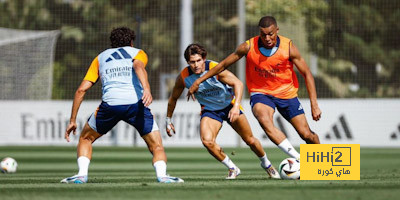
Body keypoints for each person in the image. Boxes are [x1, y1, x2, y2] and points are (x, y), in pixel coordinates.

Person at [187, 16, 321, 161]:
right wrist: (199, 81)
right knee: (264, 120)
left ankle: (321, 163)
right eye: (263, 34)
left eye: (271, 34)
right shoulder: (248, 46)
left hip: (287, 94)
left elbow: (307, 74)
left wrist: (314, 104)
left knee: (306, 134)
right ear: (259, 33)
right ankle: (298, 158)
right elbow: (222, 65)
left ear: (277, 30)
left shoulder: (288, 47)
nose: (267, 38)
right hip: (261, 93)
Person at [61, 27, 183, 184]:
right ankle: (163, 176)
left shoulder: (100, 58)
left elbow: (81, 90)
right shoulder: (138, 53)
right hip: (136, 105)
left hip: (110, 105)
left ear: (112, 43)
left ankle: (81, 175)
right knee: (157, 146)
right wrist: (146, 89)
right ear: (131, 42)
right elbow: (138, 66)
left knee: (85, 138)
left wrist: (72, 120)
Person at [166, 44, 280, 179]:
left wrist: (236, 106)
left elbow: (238, 83)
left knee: (250, 140)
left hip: (229, 106)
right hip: (210, 111)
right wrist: (168, 120)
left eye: (198, 61)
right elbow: (173, 98)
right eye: (192, 62)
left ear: (204, 59)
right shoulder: (184, 77)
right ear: (187, 62)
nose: (196, 65)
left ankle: (266, 164)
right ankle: (233, 168)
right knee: (207, 141)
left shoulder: (215, 68)